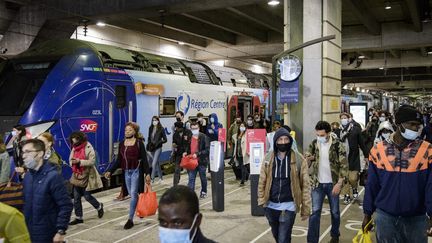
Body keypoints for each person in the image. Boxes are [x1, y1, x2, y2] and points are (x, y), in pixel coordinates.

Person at [363, 105, 432, 242]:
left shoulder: (427, 151)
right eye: (412, 124)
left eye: (418, 126)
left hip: (416, 218)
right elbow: (372, 184)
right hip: (385, 217)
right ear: (399, 124)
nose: (416, 129)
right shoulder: (378, 150)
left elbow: (431, 186)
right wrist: (367, 213)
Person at [258, 128, 311, 243]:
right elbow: (262, 181)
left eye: (286, 139)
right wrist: (262, 200)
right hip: (271, 206)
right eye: (280, 140)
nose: (283, 142)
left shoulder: (299, 159)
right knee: (278, 236)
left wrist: (306, 209)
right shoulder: (268, 158)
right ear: (276, 142)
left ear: (290, 141)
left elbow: (305, 186)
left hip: (289, 206)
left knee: (283, 239)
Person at [21, 139, 73, 243]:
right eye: (23, 152)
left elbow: (66, 205)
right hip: (29, 231)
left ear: (40, 153)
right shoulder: (27, 177)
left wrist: (60, 231)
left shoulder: (53, 177)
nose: (23, 156)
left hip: (47, 233)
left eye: (28, 152)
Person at [305, 121, 347, 243]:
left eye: (322, 135)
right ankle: (312, 240)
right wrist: (308, 159)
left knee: (335, 212)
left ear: (328, 133)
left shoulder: (337, 145)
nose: (319, 137)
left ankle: (335, 235)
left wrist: (339, 183)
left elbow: (344, 165)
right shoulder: (314, 143)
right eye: (317, 134)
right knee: (315, 212)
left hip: (332, 184)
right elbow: (308, 155)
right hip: (317, 184)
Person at [105, 122, 150, 229]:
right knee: (131, 194)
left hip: (136, 171)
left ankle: (130, 219)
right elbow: (118, 161)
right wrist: (110, 171)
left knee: (133, 193)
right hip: (126, 172)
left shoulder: (139, 143)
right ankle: (140, 207)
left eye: (129, 130)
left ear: (134, 131)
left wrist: (147, 173)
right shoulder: (122, 143)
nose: (127, 132)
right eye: (126, 130)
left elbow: (144, 159)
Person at [68, 131, 104, 225]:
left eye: (75, 141)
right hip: (77, 175)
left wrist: (79, 161)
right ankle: (79, 217)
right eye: (73, 142)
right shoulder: (74, 148)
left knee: (87, 196)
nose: (74, 143)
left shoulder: (88, 146)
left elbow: (92, 161)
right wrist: (72, 162)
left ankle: (99, 206)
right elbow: (70, 159)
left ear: (80, 139)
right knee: (76, 198)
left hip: (87, 175)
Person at [339, 113, 369, 204]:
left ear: (349, 119)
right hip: (342, 159)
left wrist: (366, 156)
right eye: (342, 118)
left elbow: (362, 144)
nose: (343, 119)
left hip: (354, 158)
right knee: (345, 178)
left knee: (353, 178)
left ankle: (355, 188)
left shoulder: (355, 130)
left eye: (345, 118)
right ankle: (347, 195)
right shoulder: (338, 131)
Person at [185, 122, 209, 199]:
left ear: (198, 128)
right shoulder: (189, 137)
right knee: (191, 178)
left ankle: (204, 191)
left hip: (201, 161)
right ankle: (191, 195)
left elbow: (207, 150)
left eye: (196, 128)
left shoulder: (203, 137)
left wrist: (198, 154)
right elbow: (187, 148)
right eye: (193, 128)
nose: (194, 130)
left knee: (203, 177)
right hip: (191, 162)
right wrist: (185, 152)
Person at [147, 116, 167, 183]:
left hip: (158, 148)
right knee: (157, 163)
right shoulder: (150, 128)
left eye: (155, 120)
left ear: (158, 121)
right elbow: (149, 138)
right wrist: (148, 146)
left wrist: (159, 142)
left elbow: (165, 139)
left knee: (153, 163)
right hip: (151, 148)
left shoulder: (161, 129)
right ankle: (161, 178)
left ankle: (152, 179)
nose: (154, 121)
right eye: (153, 120)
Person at [172, 121, 192, 186]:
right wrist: (174, 145)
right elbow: (174, 142)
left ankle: (191, 182)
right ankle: (175, 184)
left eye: (177, 128)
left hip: (187, 153)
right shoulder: (175, 134)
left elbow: (190, 142)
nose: (176, 129)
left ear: (180, 127)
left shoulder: (188, 132)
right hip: (178, 153)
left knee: (189, 170)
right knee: (177, 169)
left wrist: (186, 151)